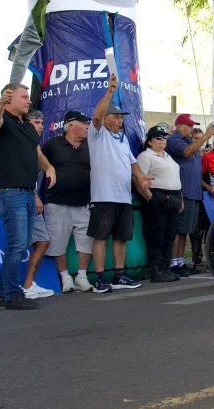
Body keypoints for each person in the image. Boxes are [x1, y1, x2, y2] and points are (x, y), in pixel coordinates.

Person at [0, 83, 56, 310]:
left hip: (26, 192)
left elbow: (36, 153)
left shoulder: (26, 125)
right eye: (24, 97)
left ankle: (2, 290)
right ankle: (13, 294)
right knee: (16, 244)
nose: (28, 101)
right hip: (9, 192)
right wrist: (0, 103)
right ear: (9, 98)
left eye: (28, 97)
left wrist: (48, 168)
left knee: (22, 244)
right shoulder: (2, 120)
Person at [87, 74, 153, 293]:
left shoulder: (123, 139)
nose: (120, 120)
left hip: (123, 197)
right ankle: (99, 277)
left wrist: (141, 176)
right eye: (115, 117)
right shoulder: (96, 134)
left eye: (121, 118)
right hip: (103, 197)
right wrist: (109, 92)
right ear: (106, 118)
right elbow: (96, 116)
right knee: (100, 237)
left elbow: (133, 164)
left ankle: (118, 275)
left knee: (120, 238)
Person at [42, 110, 94, 293]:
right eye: (83, 123)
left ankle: (82, 276)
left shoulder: (91, 145)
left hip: (84, 202)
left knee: (86, 241)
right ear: (70, 125)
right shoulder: (52, 145)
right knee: (57, 241)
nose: (87, 126)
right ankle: (65, 278)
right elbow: (38, 170)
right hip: (57, 202)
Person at [166, 114, 214, 276]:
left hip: (193, 193)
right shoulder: (174, 140)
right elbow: (187, 152)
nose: (191, 128)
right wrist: (206, 136)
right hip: (183, 192)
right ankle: (173, 263)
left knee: (185, 231)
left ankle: (180, 262)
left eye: (192, 125)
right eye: (188, 125)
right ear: (179, 126)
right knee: (179, 230)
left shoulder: (189, 140)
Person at [137, 125, 183, 282]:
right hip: (157, 196)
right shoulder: (145, 156)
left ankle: (165, 267)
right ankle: (156, 270)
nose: (162, 140)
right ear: (150, 141)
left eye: (164, 137)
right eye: (158, 138)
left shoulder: (168, 156)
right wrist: (150, 197)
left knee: (169, 235)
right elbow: (138, 179)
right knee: (156, 234)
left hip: (174, 197)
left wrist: (180, 198)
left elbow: (175, 178)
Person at [21, 110, 54, 299]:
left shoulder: (36, 145)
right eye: (36, 122)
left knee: (43, 240)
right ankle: (8, 289)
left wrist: (50, 168)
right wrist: (34, 195)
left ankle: (28, 284)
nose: (41, 126)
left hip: (31, 198)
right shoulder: (22, 144)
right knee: (18, 244)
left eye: (42, 122)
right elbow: (22, 174)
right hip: (22, 197)